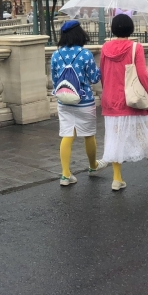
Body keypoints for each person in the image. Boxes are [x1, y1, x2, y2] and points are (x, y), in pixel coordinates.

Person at [99, 14, 148, 191]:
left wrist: (108, 93)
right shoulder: (136, 47)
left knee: (115, 139)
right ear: (131, 28)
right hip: (132, 100)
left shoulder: (105, 48)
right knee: (143, 135)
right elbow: (142, 74)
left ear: (113, 29)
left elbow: (103, 73)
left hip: (111, 100)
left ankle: (117, 178)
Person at [50, 20, 104, 186]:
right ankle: (93, 166)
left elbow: (54, 79)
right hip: (84, 101)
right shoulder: (85, 54)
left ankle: (65, 175)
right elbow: (94, 78)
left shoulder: (56, 55)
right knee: (88, 134)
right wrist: (101, 68)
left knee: (67, 135)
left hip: (64, 101)